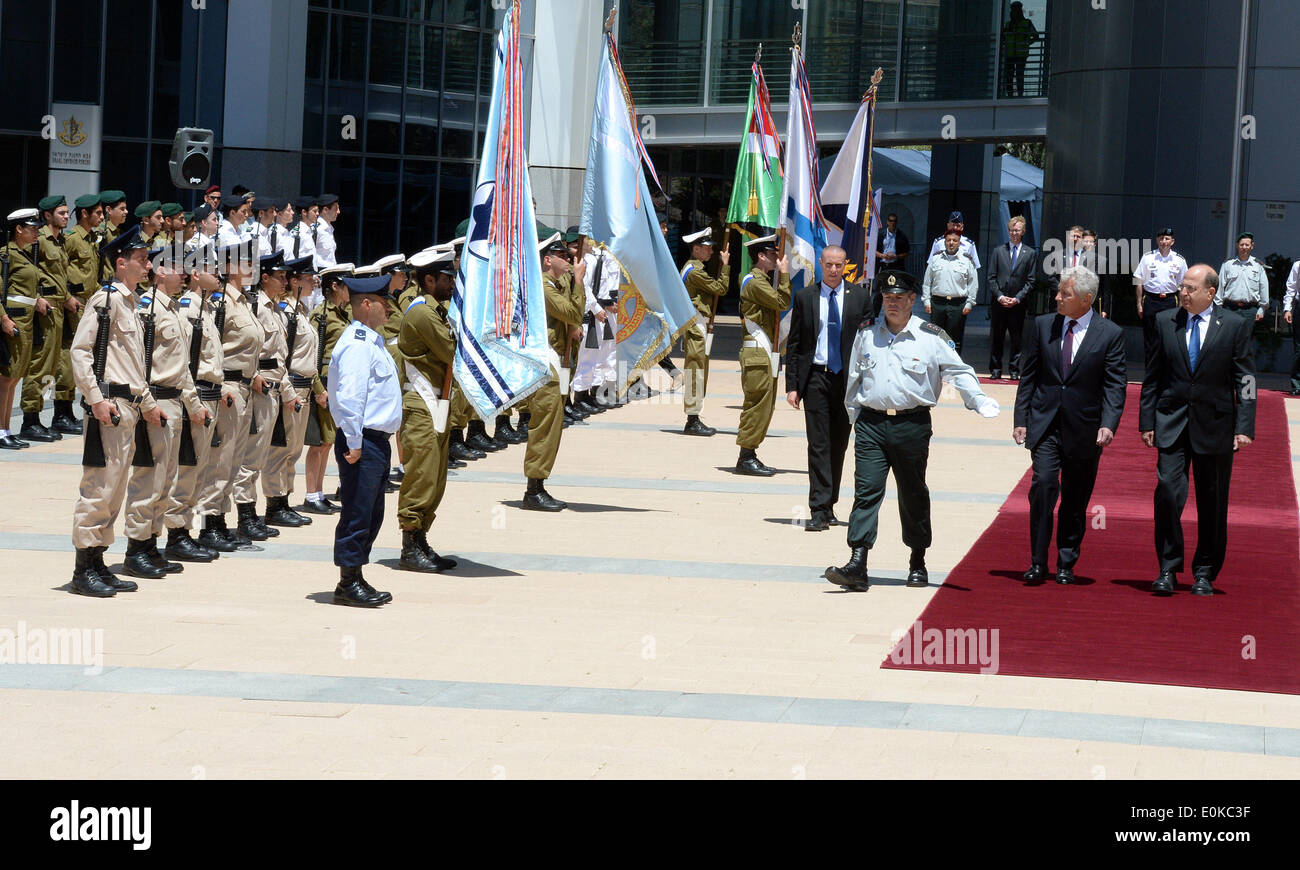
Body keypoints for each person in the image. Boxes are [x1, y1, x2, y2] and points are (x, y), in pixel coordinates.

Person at [825, 270, 1000, 591]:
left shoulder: (931, 336)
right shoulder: (866, 334)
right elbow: (854, 379)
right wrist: (850, 419)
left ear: (911, 300)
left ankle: (917, 558)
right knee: (866, 491)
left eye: (898, 298)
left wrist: (976, 399)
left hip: (912, 425)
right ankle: (858, 562)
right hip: (871, 425)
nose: (891, 303)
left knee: (913, 492)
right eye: (887, 298)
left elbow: (958, 370)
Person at [1139, 264, 1255, 596]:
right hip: (1171, 422)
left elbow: (1245, 379)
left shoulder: (1233, 325)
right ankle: (1167, 567)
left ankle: (1205, 571)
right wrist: (1147, 421)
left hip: (1216, 426)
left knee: (1213, 500)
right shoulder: (1165, 322)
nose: (1183, 293)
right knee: (1168, 493)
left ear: (1211, 292)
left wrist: (1244, 425)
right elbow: (1153, 377)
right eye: (1182, 287)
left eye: (1190, 288)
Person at [1012, 266, 1126, 584]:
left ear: (1087, 299)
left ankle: (1066, 561)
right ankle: (1037, 561)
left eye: (1065, 293)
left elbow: (1115, 385)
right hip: (1045, 423)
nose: (1057, 297)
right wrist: (1021, 419)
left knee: (1075, 497)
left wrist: (1109, 423)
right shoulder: (1042, 325)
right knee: (1044, 486)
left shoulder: (1110, 334)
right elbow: (1029, 377)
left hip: (1085, 428)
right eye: (1059, 291)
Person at [67, 225, 162, 597]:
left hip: (128, 410)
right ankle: (82, 569)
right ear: (121, 263)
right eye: (141, 260)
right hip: (108, 408)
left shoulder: (131, 304)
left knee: (116, 490)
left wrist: (147, 406)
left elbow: (134, 368)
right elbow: (80, 351)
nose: (147, 266)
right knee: (98, 488)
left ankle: (98, 561)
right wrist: (95, 398)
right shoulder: (105, 301)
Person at [120, 246, 201, 579]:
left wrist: (192, 404)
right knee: (147, 479)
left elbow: (181, 367)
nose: (184, 274)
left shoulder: (172, 309)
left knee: (165, 479)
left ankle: (152, 543)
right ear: (160, 271)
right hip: (155, 403)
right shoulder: (147, 308)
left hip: (175, 403)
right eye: (179, 268)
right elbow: (139, 362)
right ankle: (136, 548)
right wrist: (146, 404)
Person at [328, 273, 400, 607]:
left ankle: (356, 575)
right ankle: (347, 582)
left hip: (374, 441)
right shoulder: (358, 344)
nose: (389, 309)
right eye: (384, 303)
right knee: (358, 511)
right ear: (366, 304)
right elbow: (350, 397)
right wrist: (354, 441)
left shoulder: (371, 341)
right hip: (363, 441)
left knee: (371, 512)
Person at [786, 245, 868, 530]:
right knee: (818, 444)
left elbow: (869, 344)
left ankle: (830, 502)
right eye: (829, 264)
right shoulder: (805, 297)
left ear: (846, 265)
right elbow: (795, 344)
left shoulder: (860, 297)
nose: (834, 270)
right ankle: (818, 509)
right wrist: (793, 385)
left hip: (847, 381)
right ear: (820, 263)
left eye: (839, 265)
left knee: (838, 444)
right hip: (816, 379)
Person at [195, 240, 266, 552]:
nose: (252, 267)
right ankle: (209, 523)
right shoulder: (220, 303)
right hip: (228, 388)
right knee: (220, 459)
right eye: (245, 262)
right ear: (229, 268)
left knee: (234, 459)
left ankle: (221, 520)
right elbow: (210, 349)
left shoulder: (242, 302)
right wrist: (221, 383)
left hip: (245, 388)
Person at [395, 248, 459, 572]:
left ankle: (421, 540)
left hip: (438, 402)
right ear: (429, 279)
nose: (452, 283)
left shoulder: (439, 311)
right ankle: (409, 547)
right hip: (422, 403)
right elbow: (450, 350)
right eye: (447, 278)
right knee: (421, 478)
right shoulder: (422, 313)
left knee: (435, 480)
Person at [162, 244, 227, 561]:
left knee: (200, 468)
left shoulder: (208, 308)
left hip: (209, 395)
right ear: (197, 275)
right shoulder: (188, 310)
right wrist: (192, 403)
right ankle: (176, 533)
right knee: (188, 468)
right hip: (196, 395)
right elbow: (185, 364)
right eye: (213, 269)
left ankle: (185, 529)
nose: (219, 274)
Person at [233, 250, 295, 540]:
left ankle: (251, 512)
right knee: (250, 454)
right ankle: (245, 515)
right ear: (265, 277)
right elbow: (249, 347)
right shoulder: (255, 305)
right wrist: (254, 373)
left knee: (259, 455)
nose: (285, 281)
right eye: (280, 276)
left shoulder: (275, 308)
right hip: (258, 388)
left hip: (274, 387)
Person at [523, 234, 584, 511]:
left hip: (556, 361)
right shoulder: (545, 287)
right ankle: (533, 489)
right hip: (546, 363)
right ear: (548, 260)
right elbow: (572, 313)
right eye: (564, 256)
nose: (570, 261)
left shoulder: (555, 282)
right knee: (545, 428)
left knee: (553, 427)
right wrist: (579, 281)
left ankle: (539, 484)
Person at [262, 255, 320, 528]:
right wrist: (287, 390)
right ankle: (275, 503)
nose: (313, 282)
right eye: (307, 278)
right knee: (281, 449)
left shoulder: (300, 311)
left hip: (304, 386)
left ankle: (284, 499)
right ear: (295, 282)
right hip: (291, 385)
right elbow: (282, 356)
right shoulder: (285, 312)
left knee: (293, 449)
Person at [300, 262, 354, 514]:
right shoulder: (321, 315)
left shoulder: (343, 313)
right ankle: (312, 494)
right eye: (345, 283)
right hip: (324, 382)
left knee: (328, 442)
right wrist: (319, 388)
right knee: (320, 442)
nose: (349, 289)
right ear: (334, 285)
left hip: (338, 383)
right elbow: (313, 354)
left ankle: (319, 492)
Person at [735, 234, 790, 475]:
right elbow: (782, 301)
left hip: (761, 350)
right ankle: (746, 456)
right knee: (757, 405)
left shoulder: (760, 280)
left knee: (763, 405)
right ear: (760, 256)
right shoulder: (755, 282)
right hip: (757, 351)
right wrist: (785, 274)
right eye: (772, 254)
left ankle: (749, 454)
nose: (776, 258)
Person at [18, 196, 71, 443]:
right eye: (61, 213)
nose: (66, 217)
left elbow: (58, 276)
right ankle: (29, 419)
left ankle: (40, 418)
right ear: (47, 215)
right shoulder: (38, 240)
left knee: (52, 366)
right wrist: (37, 297)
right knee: (39, 364)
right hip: (44, 309)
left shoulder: (60, 242)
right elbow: (25, 271)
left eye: (67, 212)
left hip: (59, 308)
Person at [53, 193, 106, 435]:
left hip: (89, 303)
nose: (102, 217)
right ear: (84, 214)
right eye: (98, 213)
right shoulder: (72, 238)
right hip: (74, 303)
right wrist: (66, 297)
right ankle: (60, 412)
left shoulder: (91, 239)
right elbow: (60, 271)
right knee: (67, 359)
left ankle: (71, 410)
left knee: (86, 358)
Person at [679, 228, 729, 435]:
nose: (711, 252)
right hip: (696, 324)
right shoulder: (695, 271)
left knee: (698, 370)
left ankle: (694, 416)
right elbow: (721, 289)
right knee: (695, 371)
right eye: (707, 248)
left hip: (697, 323)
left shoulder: (694, 268)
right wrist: (725, 266)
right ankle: (692, 419)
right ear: (696, 248)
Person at [1, 208, 44, 450]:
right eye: (33, 228)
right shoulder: (6, 254)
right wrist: (4, 319)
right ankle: (0, 430)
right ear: (19, 229)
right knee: (6, 379)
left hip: (26, 319)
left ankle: (6, 428)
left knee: (14, 378)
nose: (37, 232)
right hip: (14, 319)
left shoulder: (25, 254)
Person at [573, 239, 620, 415]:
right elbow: (585, 288)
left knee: (602, 353)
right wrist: (597, 308)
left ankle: (592, 392)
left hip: (604, 309)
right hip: (591, 313)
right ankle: (580, 395)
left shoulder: (604, 257)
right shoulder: (588, 260)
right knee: (586, 356)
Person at [987, 215, 1037, 379]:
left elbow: (1031, 280)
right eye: (1011, 230)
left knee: (1016, 338)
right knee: (997, 337)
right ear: (1008, 231)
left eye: (1017, 230)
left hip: (1018, 304)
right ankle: (995, 369)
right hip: (999, 302)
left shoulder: (1030, 253)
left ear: (1023, 232)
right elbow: (991, 278)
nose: (1014, 233)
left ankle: (1014, 370)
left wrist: (1017, 298)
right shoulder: (998, 251)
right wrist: (1000, 297)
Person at [1134, 227, 1187, 367]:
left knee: (1169, 337)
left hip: (1170, 301)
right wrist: (1139, 304)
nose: (1164, 241)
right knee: (1150, 338)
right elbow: (1138, 281)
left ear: (1172, 241)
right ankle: (1150, 372)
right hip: (1151, 300)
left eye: (1167, 239)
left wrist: (1182, 308)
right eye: (1161, 238)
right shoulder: (1147, 257)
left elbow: (1183, 285)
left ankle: (1166, 373)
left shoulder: (1179, 260)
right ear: (1157, 240)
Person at [922, 228, 978, 355]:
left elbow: (973, 284)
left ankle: (954, 366)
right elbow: (927, 282)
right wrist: (926, 301)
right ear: (945, 242)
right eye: (948, 240)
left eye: (954, 240)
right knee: (936, 337)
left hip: (958, 304)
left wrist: (970, 303)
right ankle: (936, 366)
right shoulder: (936, 258)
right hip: (937, 303)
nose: (951, 243)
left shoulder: (967, 260)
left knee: (954, 339)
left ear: (959, 243)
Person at [1216, 231, 1268, 325]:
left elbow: (1263, 288)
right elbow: (1220, 288)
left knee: (1246, 338)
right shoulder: (1227, 264)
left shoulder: (1258, 266)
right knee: (1229, 338)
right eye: (1241, 244)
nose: (1244, 247)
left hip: (1250, 311)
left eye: (1247, 245)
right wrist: (1218, 309)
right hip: (1230, 309)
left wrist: (1262, 309)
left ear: (1252, 246)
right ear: (1237, 245)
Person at [1002, 1, 1040, 97]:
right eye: (1013, 10)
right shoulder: (1008, 25)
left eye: (1016, 10)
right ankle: (1010, 94)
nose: (1014, 12)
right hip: (1010, 55)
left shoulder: (1027, 23)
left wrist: (1027, 44)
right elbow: (1002, 38)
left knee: (1019, 76)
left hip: (1021, 55)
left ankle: (1020, 94)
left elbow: (1036, 36)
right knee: (1009, 76)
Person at [1285, 259, 1300, 396]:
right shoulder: (1298, 265)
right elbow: (1291, 287)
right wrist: (1287, 309)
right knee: (1299, 349)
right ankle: (1297, 384)